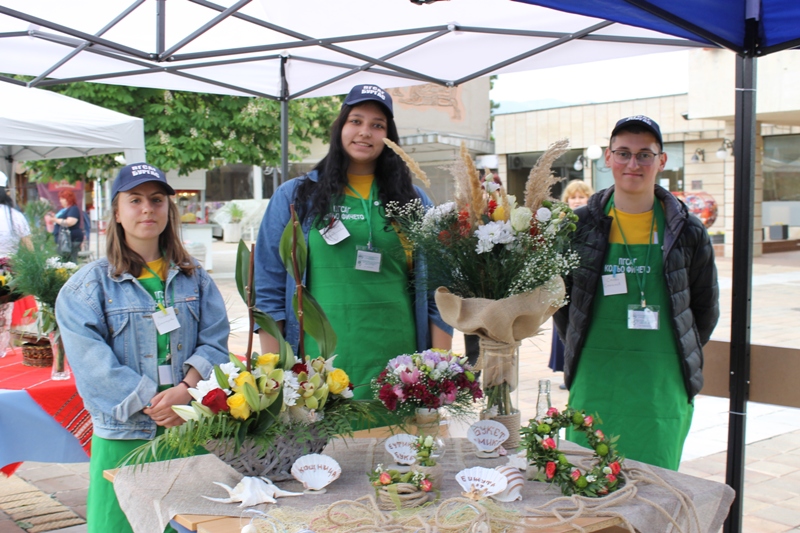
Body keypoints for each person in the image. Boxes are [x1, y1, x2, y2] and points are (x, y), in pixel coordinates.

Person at [56, 163, 230, 533]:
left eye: (156, 199)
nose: (147, 209)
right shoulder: (86, 288)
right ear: (117, 213)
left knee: (190, 521)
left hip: (188, 427)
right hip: (127, 435)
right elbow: (92, 365)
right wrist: (153, 400)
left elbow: (215, 340)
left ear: (170, 209)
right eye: (134, 200)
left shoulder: (194, 278)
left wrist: (186, 393)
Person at [255, 84, 453, 400]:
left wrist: (436, 373)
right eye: (356, 121)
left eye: (378, 125)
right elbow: (268, 288)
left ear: (389, 137)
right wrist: (274, 374)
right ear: (340, 127)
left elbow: (439, 293)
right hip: (318, 372)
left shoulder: (414, 200)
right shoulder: (296, 197)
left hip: (400, 368)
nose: (365, 132)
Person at [554, 116, 719, 470]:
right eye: (624, 153)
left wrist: (673, 352)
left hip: (661, 383)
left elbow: (705, 309)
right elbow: (562, 304)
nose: (633, 164)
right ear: (608, 159)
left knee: (656, 486)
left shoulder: (687, 231)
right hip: (596, 379)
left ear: (661, 161)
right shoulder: (579, 228)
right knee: (585, 481)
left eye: (645, 154)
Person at [548, 180, 594, 389]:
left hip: (584, 284)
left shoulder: (593, 222)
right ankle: (568, 371)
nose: (577, 201)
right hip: (563, 285)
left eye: (581, 197)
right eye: (573, 197)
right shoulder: (560, 221)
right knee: (564, 329)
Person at [0, 171, 32, 354]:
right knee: (6, 312)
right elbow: (29, 248)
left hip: (8, 270)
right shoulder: (15, 216)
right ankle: (4, 348)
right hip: (10, 271)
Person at [52, 189, 84, 263]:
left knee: (71, 260)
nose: (60, 201)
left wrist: (55, 220)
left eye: (62, 198)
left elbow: (70, 222)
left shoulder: (73, 209)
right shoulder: (64, 210)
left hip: (71, 239)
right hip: (64, 240)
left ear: (68, 199)